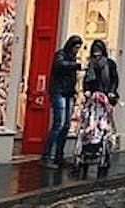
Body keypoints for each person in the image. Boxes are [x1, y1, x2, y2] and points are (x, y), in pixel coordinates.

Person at [41, 35, 83, 168]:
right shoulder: (60, 55)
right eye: (76, 47)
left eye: (78, 48)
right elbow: (60, 65)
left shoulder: (72, 58)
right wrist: (75, 65)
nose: (77, 50)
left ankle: (59, 155)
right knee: (58, 124)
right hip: (58, 92)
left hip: (68, 93)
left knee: (66, 125)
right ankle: (46, 155)